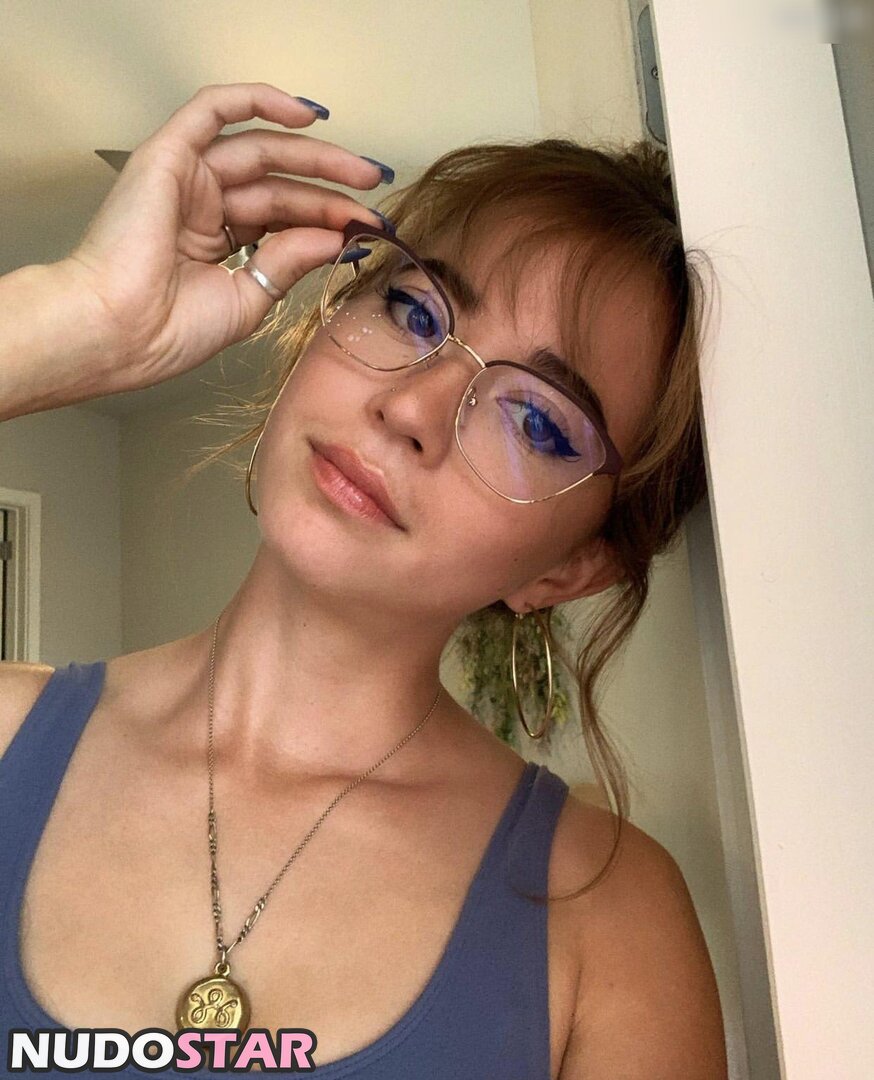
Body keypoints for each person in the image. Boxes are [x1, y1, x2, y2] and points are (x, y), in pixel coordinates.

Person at [0, 82, 727, 1077]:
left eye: (536, 421)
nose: (413, 408)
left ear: (570, 567)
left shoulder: (606, 915)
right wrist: (66, 321)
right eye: (416, 311)